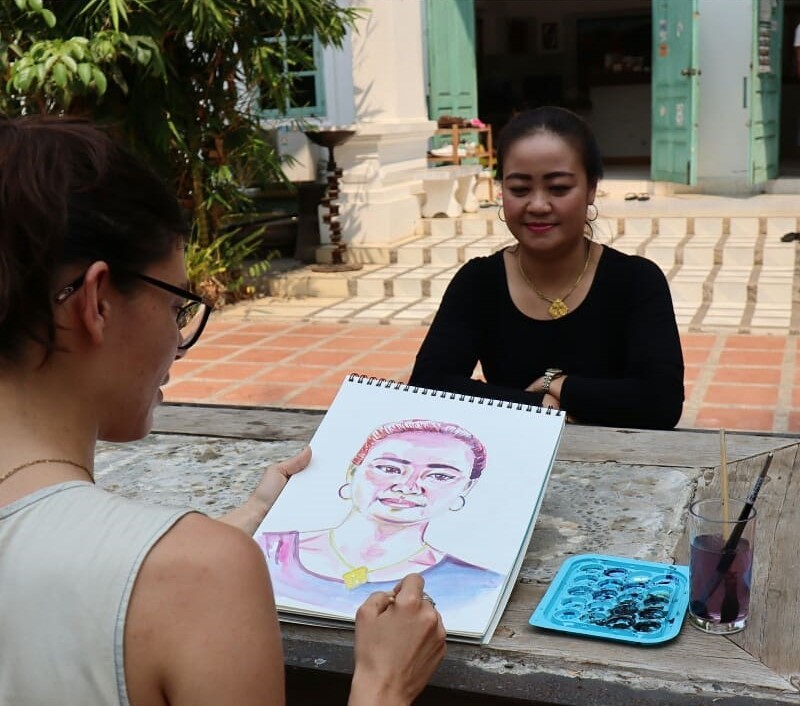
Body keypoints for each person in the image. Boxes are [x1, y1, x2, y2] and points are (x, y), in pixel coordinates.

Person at [0, 115, 445, 706]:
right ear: (97, 302)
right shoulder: (201, 574)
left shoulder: (193, 562)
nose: (179, 340)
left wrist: (243, 522)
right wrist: (384, 685)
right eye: (177, 308)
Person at [410, 106, 684, 430]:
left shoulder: (636, 281)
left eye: (558, 188)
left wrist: (556, 384)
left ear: (591, 188)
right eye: (519, 189)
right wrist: (539, 406)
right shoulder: (478, 282)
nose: (538, 205)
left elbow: (660, 402)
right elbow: (429, 388)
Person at [258, 419, 503, 614]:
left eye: (440, 476)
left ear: (465, 490)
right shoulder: (265, 550)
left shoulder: (478, 585)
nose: (408, 486)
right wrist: (258, 506)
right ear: (353, 472)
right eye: (389, 469)